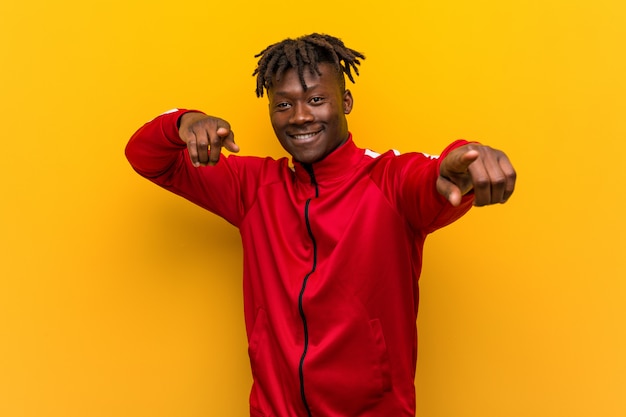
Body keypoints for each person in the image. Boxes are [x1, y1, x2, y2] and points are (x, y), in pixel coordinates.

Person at [125, 33, 516, 417]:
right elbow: (146, 156)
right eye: (283, 105)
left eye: (315, 99)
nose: (299, 117)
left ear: (345, 101)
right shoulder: (251, 188)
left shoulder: (388, 181)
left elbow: (434, 174)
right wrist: (184, 121)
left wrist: (466, 160)